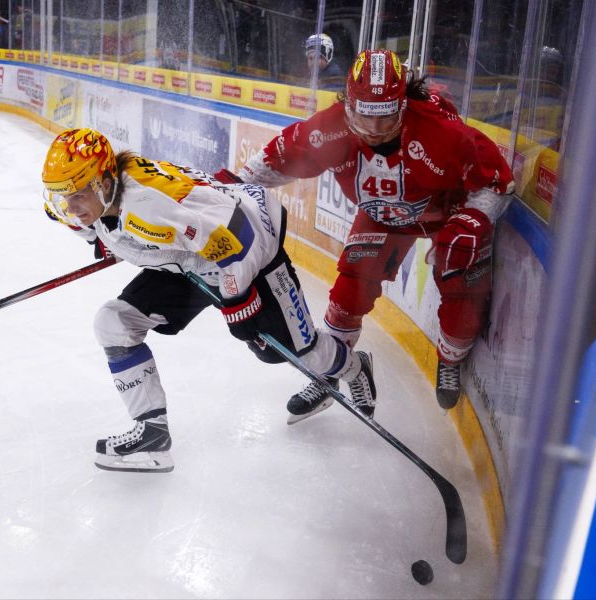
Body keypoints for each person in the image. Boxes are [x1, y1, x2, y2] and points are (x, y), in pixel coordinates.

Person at [41, 128, 377, 473]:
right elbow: (101, 223)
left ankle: (353, 367)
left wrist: (238, 302)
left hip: (250, 242)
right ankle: (152, 435)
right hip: (190, 260)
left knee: (288, 350)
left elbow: (237, 239)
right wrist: (101, 235)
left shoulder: (150, 207)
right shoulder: (102, 195)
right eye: (62, 197)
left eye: (78, 194)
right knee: (114, 323)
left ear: (105, 181)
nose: (70, 206)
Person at [221, 49, 514, 412]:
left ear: (403, 104)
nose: (374, 130)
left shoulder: (443, 133)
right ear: (348, 102)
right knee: (349, 290)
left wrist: (474, 221)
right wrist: (230, 190)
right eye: (364, 115)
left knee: (460, 286)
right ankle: (330, 370)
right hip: (381, 217)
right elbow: (274, 160)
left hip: (446, 214)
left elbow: (498, 180)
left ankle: (450, 360)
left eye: (386, 116)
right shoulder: (329, 129)